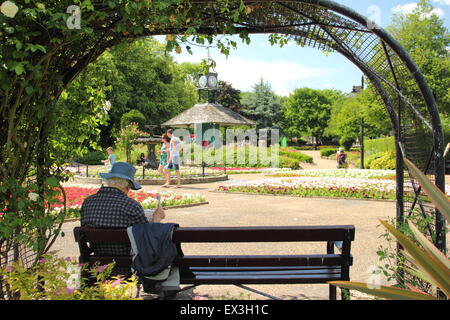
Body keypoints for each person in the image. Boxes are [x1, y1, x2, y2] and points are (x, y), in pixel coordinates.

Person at [80, 162, 166, 277]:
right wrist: (156, 219)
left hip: (97, 266)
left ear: (109, 181)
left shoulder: (88, 202)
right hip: (127, 268)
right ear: (127, 186)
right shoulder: (130, 205)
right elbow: (146, 240)